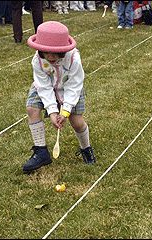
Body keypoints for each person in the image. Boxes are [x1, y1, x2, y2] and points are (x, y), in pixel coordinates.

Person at [24, 21, 96, 173]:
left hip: (70, 89)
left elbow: (74, 84)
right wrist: (52, 111)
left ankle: (86, 148)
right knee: (32, 109)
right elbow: (43, 86)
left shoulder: (73, 59)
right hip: (46, 87)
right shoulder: (37, 60)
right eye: (45, 51)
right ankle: (41, 151)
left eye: (54, 52)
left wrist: (65, 111)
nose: (49, 56)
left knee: (77, 122)